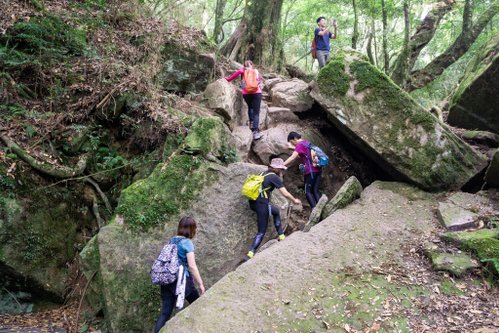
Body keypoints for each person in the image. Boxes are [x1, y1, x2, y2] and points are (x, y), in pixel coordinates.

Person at [154, 216, 205, 333]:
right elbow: (192, 266)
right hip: (182, 281)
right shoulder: (187, 243)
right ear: (192, 229)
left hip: (167, 279)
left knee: (165, 313)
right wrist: (200, 283)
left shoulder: (172, 240)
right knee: (198, 304)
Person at [246, 158, 301, 259]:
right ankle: (251, 253)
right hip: (261, 205)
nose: (282, 171)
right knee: (261, 231)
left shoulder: (263, 173)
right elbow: (285, 193)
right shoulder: (274, 177)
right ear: (277, 168)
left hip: (253, 203)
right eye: (281, 169)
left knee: (276, 211)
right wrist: (294, 200)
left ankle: (281, 235)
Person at [225, 60, 263, 140]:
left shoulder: (242, 70)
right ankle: (255, 131)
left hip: (246, 93)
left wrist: (227, 79)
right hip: (257, 92)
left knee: (250, 107)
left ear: (244, 65)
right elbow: (259, 81)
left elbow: (234, 76)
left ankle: (251, 124)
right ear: (252, 65)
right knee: (256, 112)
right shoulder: (255, 71)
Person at [283, 132, 322, 209]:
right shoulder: (306, 142)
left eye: (292, 142)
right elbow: (303, 151)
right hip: (318, 169)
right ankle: (321, 208)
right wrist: (292, 147)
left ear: (294, 139)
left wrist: (282, 164)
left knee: (307, 192)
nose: (293, 144)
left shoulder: (299, 145)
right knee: (315, 190)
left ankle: (314, 211)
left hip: (310, 171)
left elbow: (292, 157)